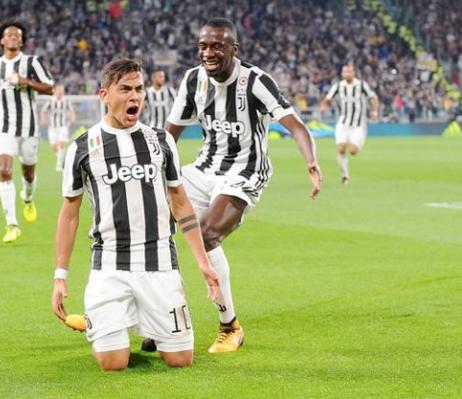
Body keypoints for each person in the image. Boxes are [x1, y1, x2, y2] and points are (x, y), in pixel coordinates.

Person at [160, 18, 322, 353]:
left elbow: (297, 126)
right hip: (204, 168)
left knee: (205, 235)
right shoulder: (192, 80)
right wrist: (155, 172)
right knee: (151, 221)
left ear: (234, 49)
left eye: (217, 46)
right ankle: (161, 315)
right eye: (204, 46)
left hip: (244, 173)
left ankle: (229, 325)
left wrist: (311, 161)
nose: (209, 52)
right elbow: (170, 134)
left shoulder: (256, 82)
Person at [51, 58, 220, 371]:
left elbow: (180, 202)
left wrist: (203, 262)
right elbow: (69, 214)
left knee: (180, 360)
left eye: (139, 89)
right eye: (125, 89)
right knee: (113, 363)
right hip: (110, 264)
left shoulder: (161, 141)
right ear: (104, 94)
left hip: (159, 263)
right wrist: (60, 275)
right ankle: (102, 317)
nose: (135, 97)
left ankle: (139, 317)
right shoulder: (83, 147)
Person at [0, 21, 53, 243]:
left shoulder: (32, 62)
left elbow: (49, 88)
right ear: (2, 40)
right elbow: (0, 91)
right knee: (4, 170)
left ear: (21, 41)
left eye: (17, 35)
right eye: (9, 34)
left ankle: (28, 198)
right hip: (3, 125)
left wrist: (25, 81)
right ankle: (12, 225)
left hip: (28, 127)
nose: (13, 37)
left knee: (28, 174)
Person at [320, 63, 379, 185]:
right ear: (342, 73)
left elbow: (373, 97)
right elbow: (327, 99)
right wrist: (324, 106)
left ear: (354, 73)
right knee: (341, 148)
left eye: (349, 72)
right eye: (345, 72)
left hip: (358, 125)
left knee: (352, 151)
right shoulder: (338, 86)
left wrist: (374, 111)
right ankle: (345, 177)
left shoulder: (361, 85)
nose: (347, 74)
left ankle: (359, 143)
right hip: (343, 123)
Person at [39, 84, 76, 171]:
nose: (60, 92)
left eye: (62, 90)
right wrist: (44, 119)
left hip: (63, 126)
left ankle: (59, 165)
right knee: (54, 147)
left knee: (61, 144)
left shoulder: (66, 101)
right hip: (52, 127)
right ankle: (63, 158)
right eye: (59, 90)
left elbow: (71, 111)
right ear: (55, 91)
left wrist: (72, 118)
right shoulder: (50, 101)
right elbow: (43, 111)